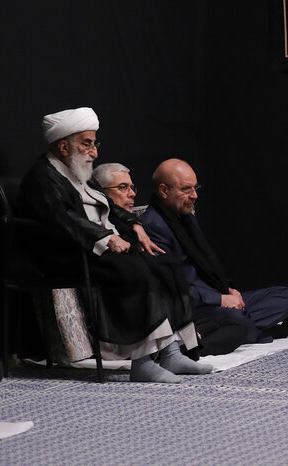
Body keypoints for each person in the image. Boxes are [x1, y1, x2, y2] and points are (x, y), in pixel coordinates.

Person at [16, 107, 209, 383]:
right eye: (87, 144)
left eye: (94, 143)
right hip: (66, 254)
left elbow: (110, 206)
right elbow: (62, 219)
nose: (94, 152)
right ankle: (142, 361)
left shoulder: (79, 172)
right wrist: (105, 237)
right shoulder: (42, 178)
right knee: (133, 270)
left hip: (94, 248)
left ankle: (171, 352)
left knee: (165, 264)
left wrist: (134, 225)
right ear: (63, 146)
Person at [136, 159, 288, 353]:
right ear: (163, 191)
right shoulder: (153, 227)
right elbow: (172, 289)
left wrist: (227, 290)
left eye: (195, 188)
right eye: (186, 189)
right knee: (237, 319)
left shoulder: (186, 217)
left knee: (284, 296)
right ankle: (238, 330)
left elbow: (206, 266)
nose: (194, 195)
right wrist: (220, 299)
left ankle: (235, 330)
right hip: (191, 306)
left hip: (214, 297)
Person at [91, 162, 165, 256]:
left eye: (132, 187)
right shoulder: (97, 229)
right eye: (123, 187)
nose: (132, 194)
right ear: (100, 192)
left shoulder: (140, 220)